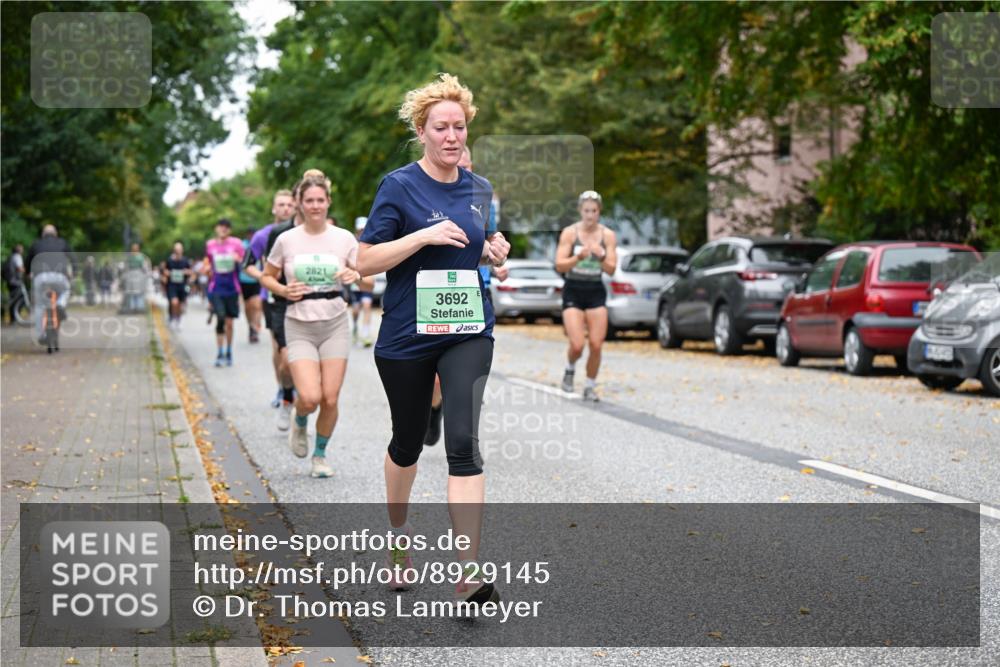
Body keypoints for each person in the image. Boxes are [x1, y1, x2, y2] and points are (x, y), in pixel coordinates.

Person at [357, 74, 510, 604]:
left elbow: (477, 245)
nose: (452, 136)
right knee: (406, 441)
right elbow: (363, 263)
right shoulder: (397, 186)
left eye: (459, 127)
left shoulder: (479, 188)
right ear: (421, 131)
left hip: (468, 327)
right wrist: (421, 235)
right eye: (440, 127)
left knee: (464, 445)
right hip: (407, 334)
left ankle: (468, 570)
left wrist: (493, 250)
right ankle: (398, 542)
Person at [261, 170, 369, 479]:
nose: (315, 206)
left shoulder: (344, 238)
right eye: (309, 200)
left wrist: (356, 276)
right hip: (299, 324)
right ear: (299, 203)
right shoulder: (286, 240)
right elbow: (268, 276)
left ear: (328, 202)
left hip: (334, 322)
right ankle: (300, 419)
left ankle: (320, 455)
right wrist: (282, 289)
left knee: (330, 397)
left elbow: (370, 281)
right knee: (309, 397)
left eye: (320, 200)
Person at [554, 190, 618, 401]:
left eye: (594, 211)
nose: (590, 215)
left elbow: (611, 269)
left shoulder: (607, 235)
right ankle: (570, 368)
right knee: (577, 344)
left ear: (599, 212)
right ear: (580, 211)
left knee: (597, 344)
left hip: (595, 291)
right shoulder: (570, 234)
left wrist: (601, 257)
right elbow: (559, 264)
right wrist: (577, 257)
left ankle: (590, 385)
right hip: (573, 289)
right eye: (586, 210)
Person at [243, 189, 297, 424]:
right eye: (281, 205)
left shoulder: (302, 233)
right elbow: (248, 264)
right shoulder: (263, 236)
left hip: (301, 298)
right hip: (272, 298)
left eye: (289, 204)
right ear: (273, 209)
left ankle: (295, 388)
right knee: (279, 348)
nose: (285, 208)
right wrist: (266, 277)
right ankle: (282, 388)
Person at [202, 219, 245, 367]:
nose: (223, 230)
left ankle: (228, 351)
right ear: (216, 229)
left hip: (232, 287)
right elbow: (207, 263)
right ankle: (219, 351)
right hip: (216, 287)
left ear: (230, 230)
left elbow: (245, 262)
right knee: (220, 318)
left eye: (226, 227)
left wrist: (237, 259)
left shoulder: (237, 244)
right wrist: (206, 269)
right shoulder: (210, 245)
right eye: (221, 227)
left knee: (229, 322)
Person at [26, 224, 73, 343]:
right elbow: (72, 258)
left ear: (43, 234)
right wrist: (73, 273)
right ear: (56, 234)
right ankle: (60, 305)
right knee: (67, 290)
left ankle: (41, 335)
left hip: (40, 277)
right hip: (59, 276)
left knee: (40, 305)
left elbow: (28, 261)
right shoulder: (62, 242)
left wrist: (28, 273)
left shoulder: (36, 244)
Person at [350, 217, 376, 347]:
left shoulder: (373, 242)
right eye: (360, 229)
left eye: (364, 229)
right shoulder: (352, 244)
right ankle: (355, 326)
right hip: (355, 284)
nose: (362, 231)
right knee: (355, 309)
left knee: (366, 305)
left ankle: (366, 334)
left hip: (367, 281)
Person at [238, 228, 263, 343]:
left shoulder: (259, 243)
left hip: (257, 278)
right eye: (250, 234)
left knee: (256, 304)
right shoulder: (242, 245)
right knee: (248, 306)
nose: (252, 236)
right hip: (244, 280)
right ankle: (251, 326)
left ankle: (255, 326)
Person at [163, 242, 193, 330]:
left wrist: (186, 272)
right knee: (174, 302)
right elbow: (165, 271)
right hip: (172, 285)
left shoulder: (185, 260)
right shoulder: (169, 260)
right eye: (176, 249)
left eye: (179, 249)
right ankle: (172, 317)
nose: (178, 251)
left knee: (180, 304)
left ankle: (178, 320)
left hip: (183, 285)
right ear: (174, 250)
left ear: (182, 250)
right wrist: (167, 274)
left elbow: (191, 272)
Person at [4, 243, 26, 324]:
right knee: (20, 299)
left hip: (10, 281)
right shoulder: (17, 257)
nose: (23, 250)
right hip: (16, 282)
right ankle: (15, 317)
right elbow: (20, 268)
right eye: (21, 248)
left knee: (13, 299)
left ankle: (12, 319)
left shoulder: (11, 257)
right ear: (19, 250)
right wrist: (26, 272)